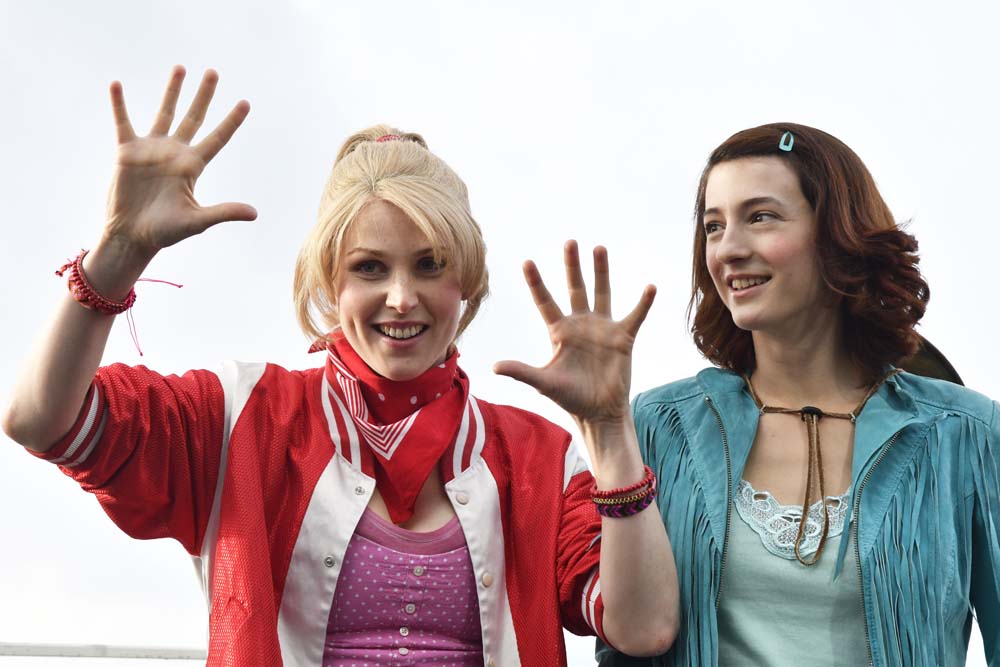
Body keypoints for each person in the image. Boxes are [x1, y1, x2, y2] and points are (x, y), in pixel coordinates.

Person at [1, 66, 679, 666]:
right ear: (331, 284)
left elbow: (643, 627)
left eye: (429, 265)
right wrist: (115, 257)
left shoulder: (539, 456)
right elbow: (40, 419)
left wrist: (612, 432)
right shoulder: (243, 416)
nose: (401, 296)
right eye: (370, 268)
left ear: (464, 282)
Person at [597, 123, 1000, 666]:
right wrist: (603, 428)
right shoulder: (659, 425)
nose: (729, 250)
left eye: (760, 217)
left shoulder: (968, 434)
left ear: (838, 234)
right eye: (713, 226)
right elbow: (626, 646)